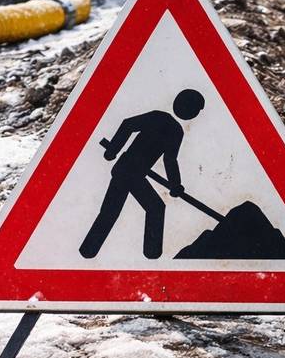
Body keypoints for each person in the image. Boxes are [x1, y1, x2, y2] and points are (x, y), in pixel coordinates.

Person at [79, 89, 206, 260]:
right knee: (150, 208)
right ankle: (151, 256)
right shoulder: (168, 124)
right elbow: (128, 125)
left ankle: (88, 251)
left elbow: (169, 160)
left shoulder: (169, 125)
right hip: (129, 172)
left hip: (131, 172)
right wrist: (113, 149)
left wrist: (175, 185)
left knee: (113, 211)